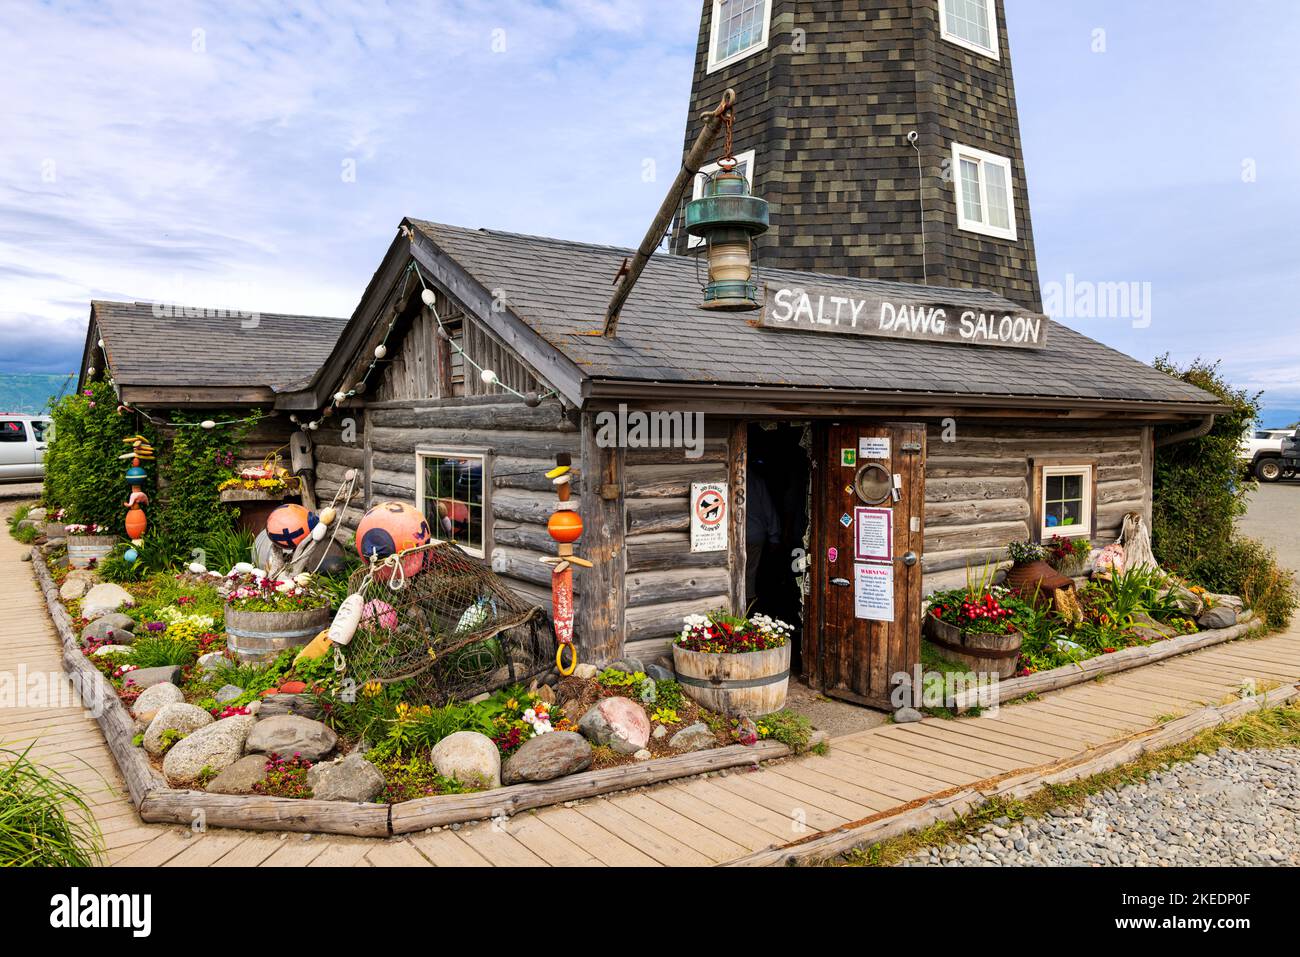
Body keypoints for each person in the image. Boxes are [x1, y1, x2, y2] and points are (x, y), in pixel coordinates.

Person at [745, 464, 781, 605]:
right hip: (755, 534)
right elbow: (768, 510)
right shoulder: (757, 481)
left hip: (735, 536)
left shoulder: (729, 477)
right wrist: (774, 537)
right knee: (749, 574)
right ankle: (746, 610)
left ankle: (739, 610)